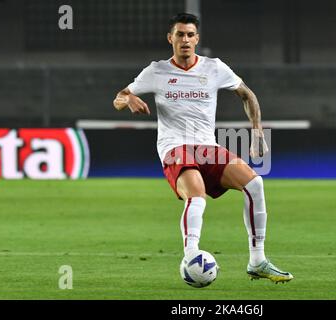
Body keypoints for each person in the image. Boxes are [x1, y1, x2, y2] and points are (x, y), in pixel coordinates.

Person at [113, 13, 293, 283]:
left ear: (197, 39)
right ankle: (191, 257)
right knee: (197, 196)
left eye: (189, 35)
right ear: (170, 38)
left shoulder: (214, 68)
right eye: (180, 34)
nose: (185, 39)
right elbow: (119, 96)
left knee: (255, 185)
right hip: (175, 147)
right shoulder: (157, 71)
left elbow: (248, 94)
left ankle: (257, 261)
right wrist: (128, 99)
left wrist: (257, 131)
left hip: (207, 147)